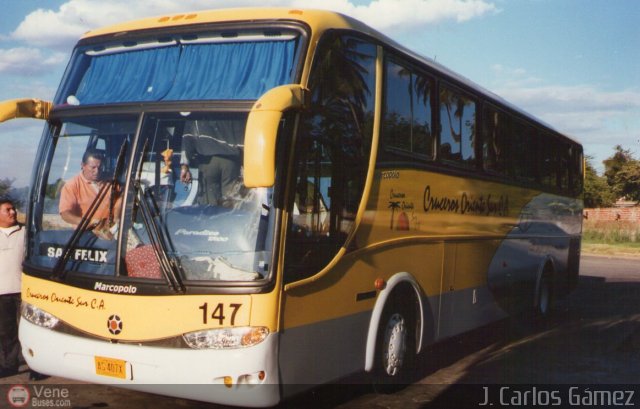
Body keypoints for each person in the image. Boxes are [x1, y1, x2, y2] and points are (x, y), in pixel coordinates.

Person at [0, 198, 47, 381]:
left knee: (31, 330)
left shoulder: (26, 233)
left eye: (14, 209)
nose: (13, 212)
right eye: (8, 210)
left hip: (25, 291)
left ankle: (38, 366)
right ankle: (8, 366)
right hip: (2, 293)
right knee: (6, 332)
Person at [179, 119, 243, 206]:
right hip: (231, 162)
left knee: (209, 205)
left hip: (207, 161)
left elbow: (188, 137)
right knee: (231, 202)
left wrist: (184, 166)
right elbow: (242, 136)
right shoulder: (231, 108)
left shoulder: (198, 109)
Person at [59, 149, 120, 239]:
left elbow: (120, 199)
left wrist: (116, 218)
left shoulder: (110, 182)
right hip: (86, 236)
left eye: (100, 167)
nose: (97, 171)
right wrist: (88, 222)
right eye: (93, 167)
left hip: (111, 233)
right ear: (83, 165)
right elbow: (65, 214)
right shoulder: (72, 185)